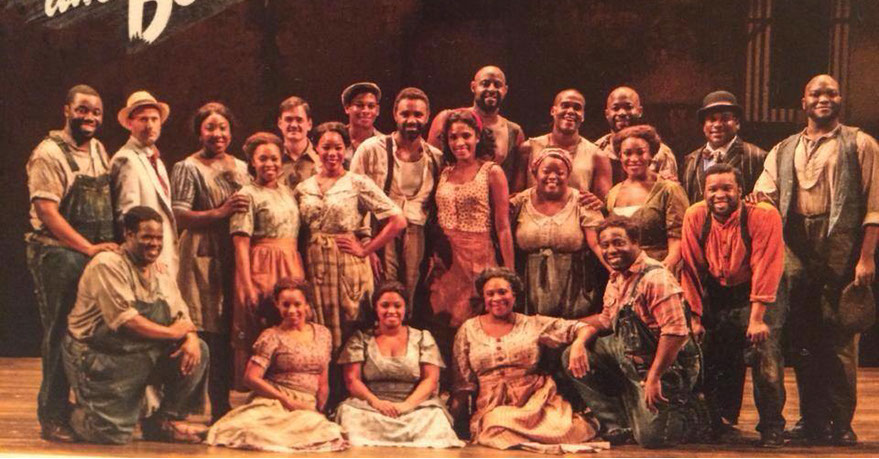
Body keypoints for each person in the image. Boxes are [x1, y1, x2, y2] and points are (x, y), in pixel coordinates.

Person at [750, 74, 879, 446]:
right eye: (816, 93)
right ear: (803, 101)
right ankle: (812, 420)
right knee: (805, 337)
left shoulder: (860, 143)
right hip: (797, 246)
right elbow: (764, 195)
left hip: (841, 245)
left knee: (839, 338)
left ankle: (841, 423)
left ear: (840, 99)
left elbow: (874, 207)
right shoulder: (783, 149)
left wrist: (866, 258)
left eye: (831, 93)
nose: (824, 98)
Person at [61, 206, 208, 444]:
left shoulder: (159, 269)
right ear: (128, 234)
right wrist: (173, 333)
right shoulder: (108, 264)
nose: (155, 244)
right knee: (109, 435)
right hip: (97, 355)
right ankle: (72, 414)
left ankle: (164, 421)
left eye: (159, 238)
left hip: (138, 349)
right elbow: (126, 321)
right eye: (147, 237)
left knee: (198, 349)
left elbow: (180, 312)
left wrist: (190, 337)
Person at [563, 216, 708, 448]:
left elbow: (675, 333)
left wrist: (655, 377)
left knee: (652, 439)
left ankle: (694, 412)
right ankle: (617, 424)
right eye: (605, 245)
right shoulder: (617, 277)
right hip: (630, 355)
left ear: (635, 242)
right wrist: (579, 339)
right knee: (571, 354)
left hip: (667, 365)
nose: (611, 250)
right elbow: (605, 321)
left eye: (619, 243)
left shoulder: (656, 278)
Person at [25, 84, 118, 442]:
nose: (89, 117)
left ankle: (85, 412)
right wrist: (88, 249)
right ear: (66, 110)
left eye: (95, 112)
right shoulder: (49, 153)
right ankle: (52, 415)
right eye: (82, 110)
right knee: (60, 332)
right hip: (57, 253)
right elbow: (47, 213)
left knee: (89, 334)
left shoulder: (98, 149)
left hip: (92, 253)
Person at [680, 163, 786, 446]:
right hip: (718, 290)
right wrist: (694, 317)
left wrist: (757, 318)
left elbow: (766, 266)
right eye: (712, 189)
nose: (720, 195)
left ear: (740, 190)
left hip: (759, 290)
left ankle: (772, 426)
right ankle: (719, 420)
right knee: (709, 348)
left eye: (727, 188)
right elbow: (690, 269)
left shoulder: (763, 215)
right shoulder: (695, 215)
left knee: (764, 352)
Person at [449, 267, 598, 453]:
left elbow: (583, 328)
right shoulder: (468, 329)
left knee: (565, 430)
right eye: (490, 294)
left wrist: (578, 344)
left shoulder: (532, 323)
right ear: (484, 298)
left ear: (514, 295)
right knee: (496, 423)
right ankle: (531, 440)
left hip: (535, 402)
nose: (497, 298)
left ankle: (537, 437)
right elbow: (462, 383)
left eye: (502, 292)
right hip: (493, 406)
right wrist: (452, 424)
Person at [170, 102, 250, 421]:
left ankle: (222, 404)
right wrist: (220, 212)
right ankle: (186, 406)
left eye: (223, 128)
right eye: (210, 128)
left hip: (233, 250)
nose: (217, 134)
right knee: (205, 329)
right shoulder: (188, 167)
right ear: (199, 132)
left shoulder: (242, 167)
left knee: (228, 329)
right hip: (201, 253)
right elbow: (179, 214)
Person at [295, 121, 406, 351]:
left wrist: (366, 250)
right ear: (316, 148)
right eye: (326, 147)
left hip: (348, 262)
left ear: (346, 148)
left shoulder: (357, 182)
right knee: (318, 324)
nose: (332, 153)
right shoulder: (303, 188)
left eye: (338, 147)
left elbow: (398, 220)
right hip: (315, 264)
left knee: (352, 323)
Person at [206, 278, 348, 452]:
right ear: (277, 305)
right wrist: (287, 401)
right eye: (285, 305)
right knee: (253, 433)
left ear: (307, 305)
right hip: (274, 401)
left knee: (323, 431)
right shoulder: (271, 336)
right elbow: (250, 378)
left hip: (306, 403)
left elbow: (323, 378)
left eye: (297, 304)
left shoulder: (322, 334)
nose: (292, 310)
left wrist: (319, 408)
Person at [429, 109, 515, 367]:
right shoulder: (444, 172)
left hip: (479, 256)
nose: (459, 142)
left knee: (475, 321)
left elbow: (503, 226)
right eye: (453, 137)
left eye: (465, 136)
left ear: (478, 136)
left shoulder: (491, 171)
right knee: (444, 323)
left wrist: (509, 273)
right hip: (446, 260)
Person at [335, 281, 464, 448]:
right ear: (376, 308)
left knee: (436, 416)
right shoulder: (360, 339)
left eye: (397, 305)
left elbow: (431, 380)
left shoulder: (423, 338)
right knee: (349, 414)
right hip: (371, 406)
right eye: (385, 305)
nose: (391, 311)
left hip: (415, 407)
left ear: (405, 308)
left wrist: (406, 405)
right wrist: (377, 403)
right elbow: (352, 380)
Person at [350, 87, 443, 308]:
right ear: (394, 114)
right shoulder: (371, 149)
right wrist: (366, 245)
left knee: (410, 296)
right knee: (381, 295)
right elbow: (352, 199)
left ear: (427, 116)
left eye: (418, 114)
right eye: (405, 114)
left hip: (417, 234)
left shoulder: (435, 158)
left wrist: (434, 250)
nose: (411, 120)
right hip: (380, 232)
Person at [230, 132, 304, 390]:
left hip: (290, 263)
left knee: (287, 326)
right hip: (260, 265)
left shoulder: (287, 191)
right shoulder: (247, 194)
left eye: (274, 158)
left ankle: (284, 388)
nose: (269, 164)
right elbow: (241, 242)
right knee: (257, 325)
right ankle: (252, 392)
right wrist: (247, 284)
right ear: (252, 162)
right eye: (263, 159)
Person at [510, 147, 605, 318]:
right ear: (534, 173)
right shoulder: (520, 201)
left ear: (568, 175)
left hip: (574, 285)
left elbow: (596, 244)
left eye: (560, 173)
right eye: (546, 171)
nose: (553, 177)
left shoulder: (583, 201)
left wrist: (616, 272)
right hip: (529, 284)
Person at [109, 90, 179, 278]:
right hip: (146, 260)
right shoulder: (126, 159)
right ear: (130, 123)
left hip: (164, 257)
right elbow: (127, 215)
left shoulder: (156, 161)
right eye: (143, 119)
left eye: (154, 119)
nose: (150, 125)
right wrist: (146, 258)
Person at [605, 125, 689, 270]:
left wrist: (659, 272)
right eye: (627, 153)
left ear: (651, 154)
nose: (634, 159)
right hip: (624, 273)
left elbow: (678, 240)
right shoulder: (613, 193)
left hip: (661, 270)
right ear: (620, 156)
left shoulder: (669, 189)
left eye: (640, 152)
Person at [427, 65, 525, 190]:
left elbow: (518, 186)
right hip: (451, 198)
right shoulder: (447, 119)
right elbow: (430, 167)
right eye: (485, 83)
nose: (491, 89)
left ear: (505, 90)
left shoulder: (515, 132)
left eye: (497, 85)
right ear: (473, 87)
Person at [513, 89, 612, 203]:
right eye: (565, 106)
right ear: (553, 111)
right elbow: (516, 198)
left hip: (577, 214)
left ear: (583, 116)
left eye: (577, 108)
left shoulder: (597, 156)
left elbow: (604, 203)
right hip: (533, 213)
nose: (570, 111)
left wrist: (597, 203)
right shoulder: (529, 148)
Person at [680, 91, 768, 204]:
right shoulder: (690, 160)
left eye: (725, 119)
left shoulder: (757, 157)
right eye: (712, 119)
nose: (717, 125)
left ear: (737, 123)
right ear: (703, 126)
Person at [594, 86, 678, 184]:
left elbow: (669, 190)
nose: (622, 113)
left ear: (640, 111)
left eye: (628, 107)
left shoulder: (661, 154)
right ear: (607, 114)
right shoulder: (596, 150)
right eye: (616, 108)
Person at [276, 96, 320, 190]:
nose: (294, 125)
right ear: (280, 123)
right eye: (288, 119)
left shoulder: (322, 159)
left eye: (299, 120)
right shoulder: (272, 161)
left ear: (309, 124)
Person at [341, 82, 384, 164]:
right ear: (347, 108)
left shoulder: (385, 144)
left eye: (371, 106)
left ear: (377, 110)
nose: (366, 111)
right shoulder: (336, 140)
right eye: (359, 105)